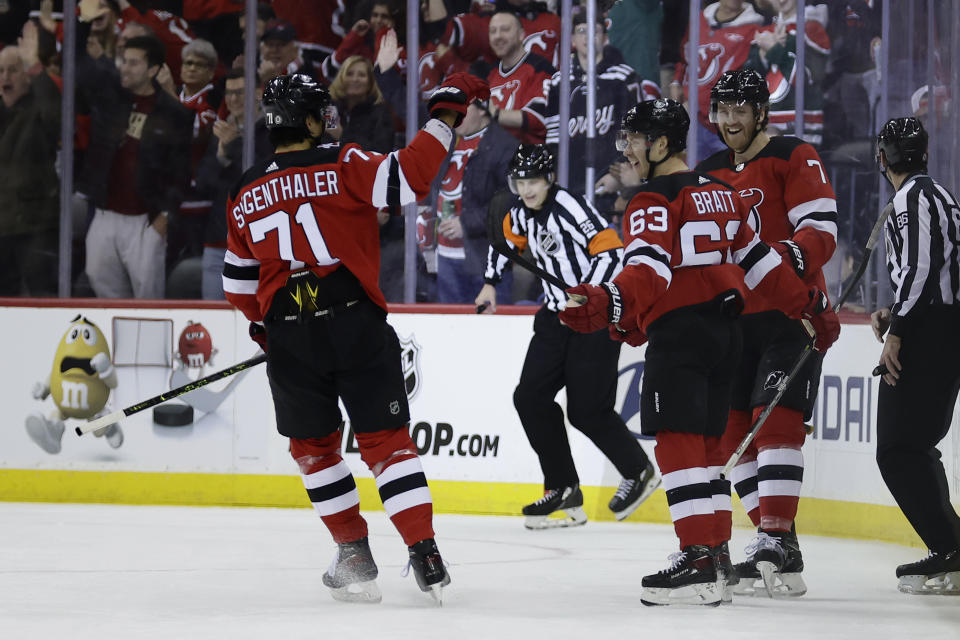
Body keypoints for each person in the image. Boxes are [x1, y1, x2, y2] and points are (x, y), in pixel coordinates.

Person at [558, 98, 839, 606]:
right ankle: (716, 556)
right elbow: (760, 267)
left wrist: (610, 302)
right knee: (710, 451)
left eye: (635, 140)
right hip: (726, 336)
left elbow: (650, 270)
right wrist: (810, 305)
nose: (628, 151)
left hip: (683, 338)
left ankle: (699, 560)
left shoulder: (652, 199)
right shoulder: (723, 194)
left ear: (661, 143)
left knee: (679, 446)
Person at [222, 71, 490, 603]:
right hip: (354, 321)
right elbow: (411, 176)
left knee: (314, 450)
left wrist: (263, 327)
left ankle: (353, 553)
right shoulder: (344, 162)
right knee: (387, 444)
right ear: (310, 119)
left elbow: (237, 283)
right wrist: (445, 115)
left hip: (291, 333)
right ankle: (424, 550)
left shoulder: (245, 189)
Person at [696, 69, 839, 597]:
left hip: (789, 312)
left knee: (774, 420)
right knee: (735, 434)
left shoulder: (794, 154)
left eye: (741, 110)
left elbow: (819, 227)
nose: (730, 120)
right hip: (733, 320)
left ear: (761, 112)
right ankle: (780, 547)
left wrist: (783, 265)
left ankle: (775, 535)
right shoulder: (707, 171)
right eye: (722, 110)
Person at [475, 144, 660, 529]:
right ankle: (564, 490)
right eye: (521, 182)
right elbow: (505, 244)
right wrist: (491, 284)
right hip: (554, 317)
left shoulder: (570, 207)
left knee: (587, 410)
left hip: (593, 317)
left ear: (550, 180)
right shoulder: (519, 212)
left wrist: (588, 295)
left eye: (534, 182)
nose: (526, 190)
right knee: (529, 398)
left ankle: (638, 470)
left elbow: (610, 251)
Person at [871, 117, 960, 595]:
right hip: (941, 327)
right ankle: (951, 545)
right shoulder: (939, 194)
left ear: (882, 158)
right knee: (912, 445)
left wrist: (899, 330)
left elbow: (923, 269)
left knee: (898, 449)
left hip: (931, 333)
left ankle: (951, 548)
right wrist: (896, 312)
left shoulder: (911, 198)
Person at [76, 4, 194, 299]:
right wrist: (82, 21)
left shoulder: (174, 114)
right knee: (101, 285)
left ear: (153, 69)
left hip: (145, 221)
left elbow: (181, 173)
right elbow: (79, 66)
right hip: (104, 214)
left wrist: (165, 219)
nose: (125, 68)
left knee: (148, 300)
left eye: (134, 63)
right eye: (124, 61)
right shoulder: (111, 96)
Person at [0, 43, 61, 297]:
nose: (5, 77)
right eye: (1, 70)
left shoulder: (40, 108)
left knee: (42, 294)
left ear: (26, 75)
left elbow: (55, 119)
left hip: (34, 225)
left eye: (13, 70)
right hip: (2, 225)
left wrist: (37, 69)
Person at [670, 0, 764, 162]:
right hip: (694, 116)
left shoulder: (753, 29)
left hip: (727, 120)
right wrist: (676, 82)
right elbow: (685, 57)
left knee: (727, 178)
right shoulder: (699, 20)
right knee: (694, 177)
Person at [479, 11, 554, 144]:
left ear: (521, 35)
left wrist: (494, 113)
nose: (498, 36)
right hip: (494, 157)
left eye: (505, 30)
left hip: (529, 157)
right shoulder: (489, 74)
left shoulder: (540, 69)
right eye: (493, 31)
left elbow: (541, 117)